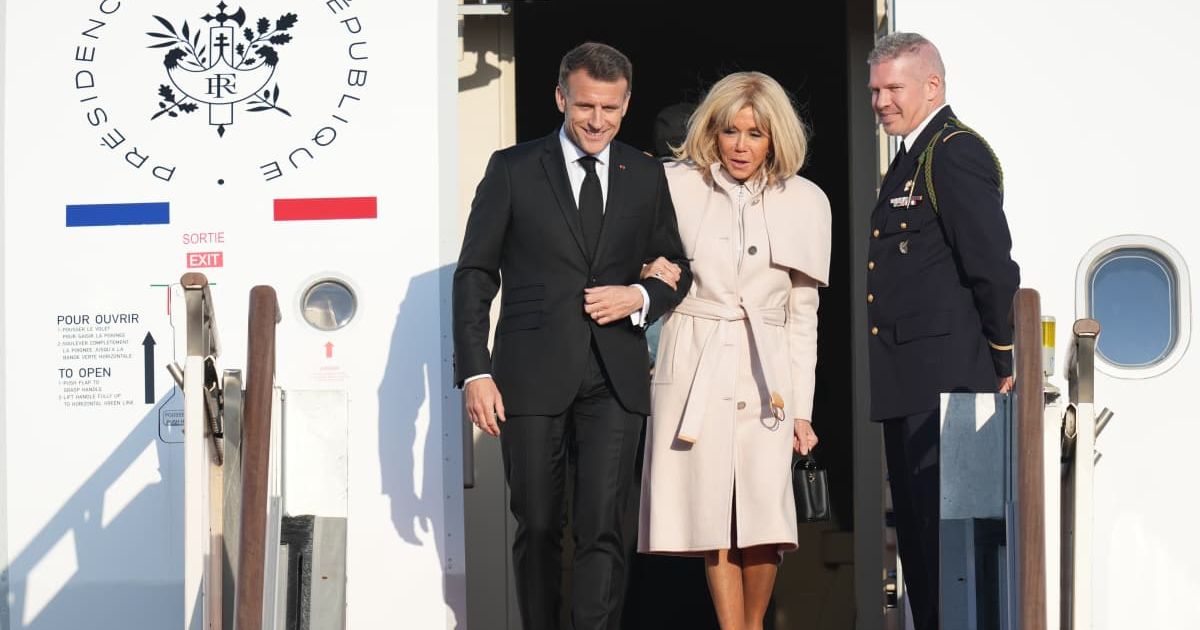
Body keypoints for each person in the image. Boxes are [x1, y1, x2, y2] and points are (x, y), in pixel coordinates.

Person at [452, 42, 692, 630]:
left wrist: (639, 296)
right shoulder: (512, 168)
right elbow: (476, 273)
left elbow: (674, 265)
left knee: (604, 526)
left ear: (626, 103)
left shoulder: (644, 172)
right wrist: (476, 370)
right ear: (561, 98)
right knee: (536, 523)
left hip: (616, 377)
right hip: (529, 373)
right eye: (585, 106)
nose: (597, 120)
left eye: (610, 108)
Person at [637, 71, 831, 630]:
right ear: (712, 132)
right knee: (711, 514)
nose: (741, 145)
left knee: (766, 518)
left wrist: (802, 409)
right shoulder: (674, 184)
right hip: (694, 357)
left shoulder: (806, 200)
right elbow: (641, 263)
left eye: (755, 133)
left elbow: (803, 317)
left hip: (766, 368)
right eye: (730, 131)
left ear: (776, 138)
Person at [865, 32, 1020, 630]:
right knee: (921, 555)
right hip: (911, 386)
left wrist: (1001, 358)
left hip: (949, 387)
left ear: (933, 86)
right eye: (875, 90)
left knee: (947, 554)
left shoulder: (952, 152)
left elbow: (992, 266)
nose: (880, 102)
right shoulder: (910, 156)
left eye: (893, 88)